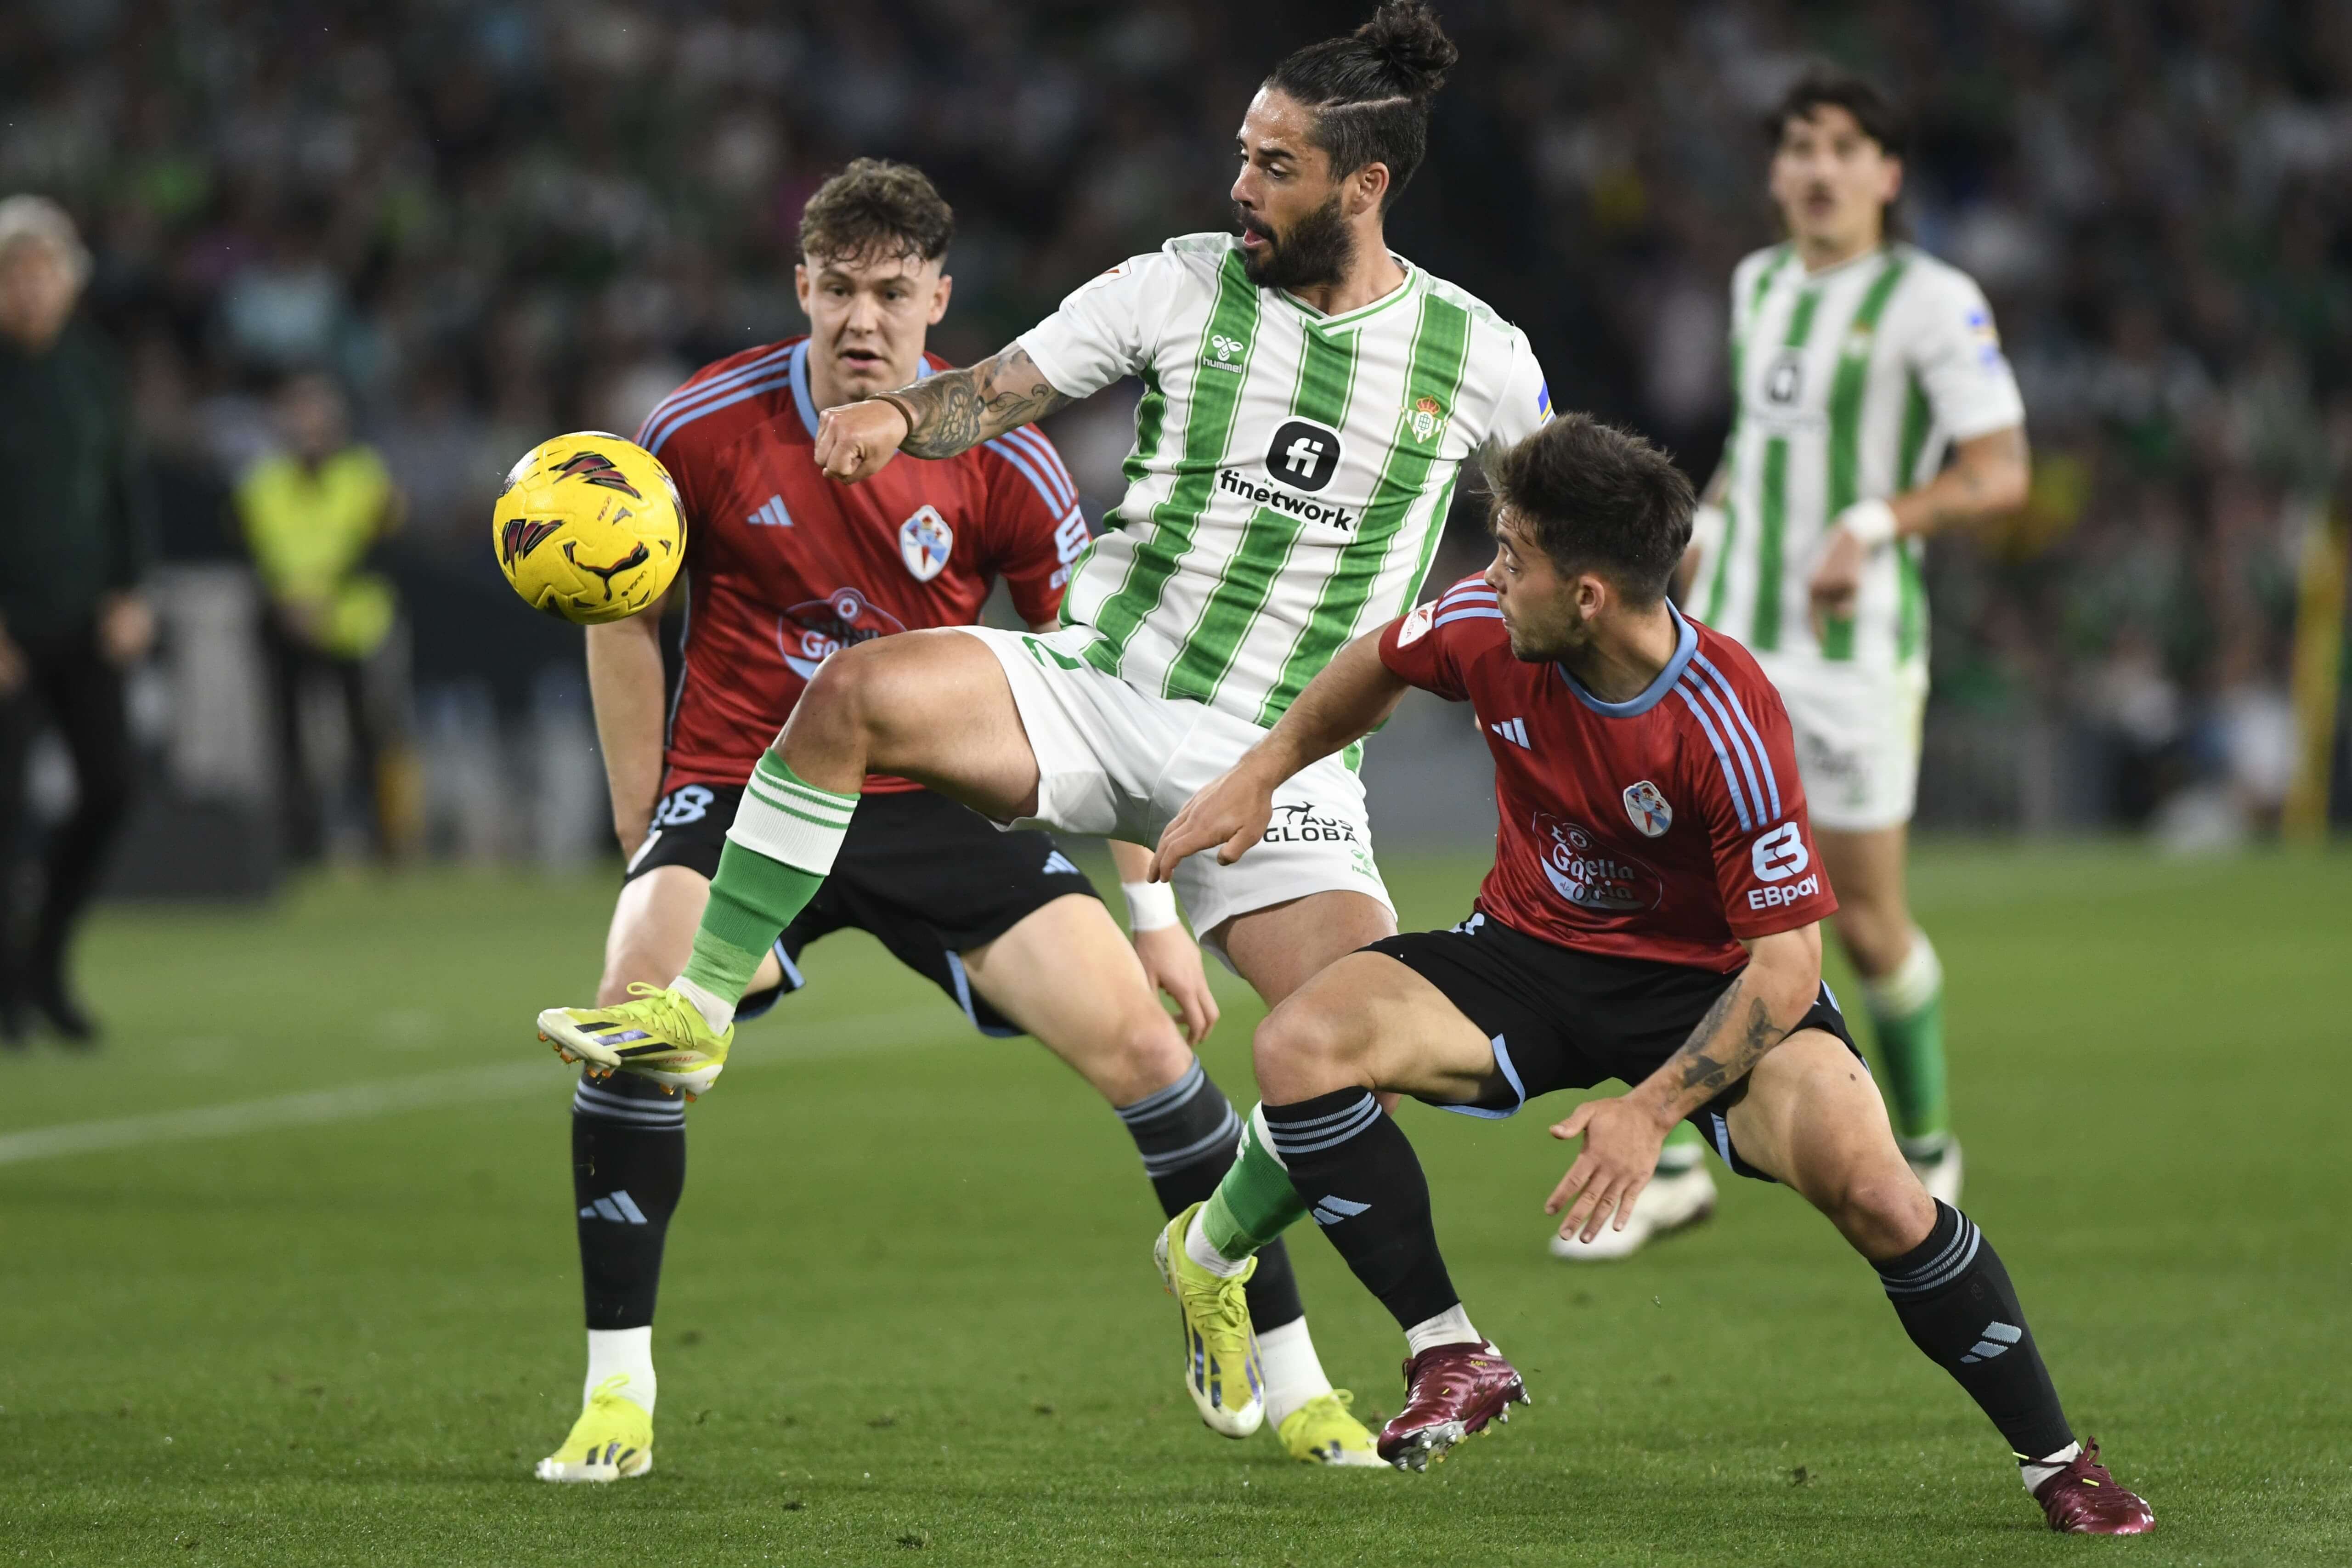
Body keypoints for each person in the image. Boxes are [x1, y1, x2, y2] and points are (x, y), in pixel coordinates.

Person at [536, 0, 1550, 1450]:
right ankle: (693, 1019)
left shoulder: (1477, 356)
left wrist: (1595, 632)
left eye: (1273, 167)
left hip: (1282, 763)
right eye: (1242, 155)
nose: (1240, 186)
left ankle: (1279, 1284)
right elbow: (999, 390)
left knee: (1350, 1055)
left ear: (1363, 184)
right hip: (1098, 690)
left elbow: (1555, 530)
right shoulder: (1175, 285)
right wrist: (904, 422)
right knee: (855, 693)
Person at [1140, 413, 2152, 1533]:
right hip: (1525, 955)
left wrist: (1652, 1108)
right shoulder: (1486, 622)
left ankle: (2057, 1461)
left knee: (1878, 1192)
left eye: (1513, 555)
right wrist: (1266, 769)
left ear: (1586, 596)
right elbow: (1378, 660)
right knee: (1300, 1044)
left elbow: (1786, 966)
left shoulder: (1723, 718)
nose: (1488, 573)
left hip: (1706, 989)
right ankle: (1449, 1350)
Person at [1676, 72, 2032, 1213]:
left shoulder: (1932, 298)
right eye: (1797, 146)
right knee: (1685, 898)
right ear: (1775, 172)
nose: (1817, 168)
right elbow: (1756, 444)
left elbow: (1999, 470)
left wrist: (1873, 524)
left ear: (1887, 174)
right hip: (1734, 641)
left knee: (1865, 921)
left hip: (1853, 653)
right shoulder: (1758, 283)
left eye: (1841, 147)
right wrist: (1701, 535)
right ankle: (1671, 1158)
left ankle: (1926, 1143)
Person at [0, 195, 153, 1046]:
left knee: (112, 786)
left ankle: (44, 962)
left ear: (70, 280)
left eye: (42, 270)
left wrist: (131, 589)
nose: (29, 286)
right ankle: (8, 990)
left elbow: (125, 485)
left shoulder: (92, 367)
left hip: (84, 619)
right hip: (7, 627)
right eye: (13, 272)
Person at [235, 370, 410, 864]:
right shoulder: (262, 482)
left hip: (354, 627)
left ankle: (382, 842)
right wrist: (290, 602)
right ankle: (299, 845)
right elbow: (258, 551)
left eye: (317, 415)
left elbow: (383, 547)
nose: (308, 427)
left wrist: (322, 598)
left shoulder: (365, 474)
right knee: (287, 740)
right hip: (286, 624)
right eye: (299, 414)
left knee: (369, 738)